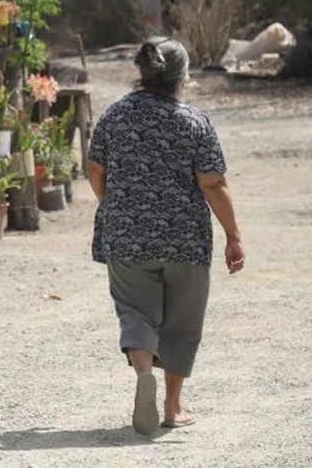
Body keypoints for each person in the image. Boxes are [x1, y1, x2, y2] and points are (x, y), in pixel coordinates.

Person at [86, 37, 245, 436]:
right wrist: (233, 236)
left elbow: (94, 169)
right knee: (181, 323)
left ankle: (144, 374)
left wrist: (115, 205)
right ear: (182, 76)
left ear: (142, 72)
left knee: (135, 312)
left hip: (126, 236)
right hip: (185, 241)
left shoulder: (114, 116)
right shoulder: (194, 122)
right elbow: (213, 184)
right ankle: (173, 408)